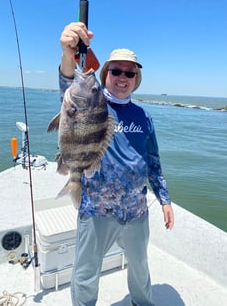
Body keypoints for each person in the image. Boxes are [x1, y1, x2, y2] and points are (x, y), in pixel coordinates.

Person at [59, 22, 174, 306]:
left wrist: (165, 199)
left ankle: (142, 303)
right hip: (97, 208)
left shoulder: (144, 116)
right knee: (86, 273)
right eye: (116, 71)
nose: (122, 77)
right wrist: (67, 50)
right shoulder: (93, 103)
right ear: (105, 73)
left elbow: (153, 160)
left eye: (129, 72)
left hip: (136, 210)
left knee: (140, 268)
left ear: (135, 78)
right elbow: (68, 82)